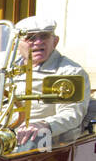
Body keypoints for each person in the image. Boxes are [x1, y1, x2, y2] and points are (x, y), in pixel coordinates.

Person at [12, 16, 89, 148]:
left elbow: (71, 113)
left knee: (33, 140)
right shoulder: (5, 69)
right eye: (30, 38)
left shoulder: (68, 71)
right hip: (4, 133)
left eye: (44, 36)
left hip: (48, 139)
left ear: (55, 41)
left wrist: (43, 124)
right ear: (16, 44)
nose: (38, 42)